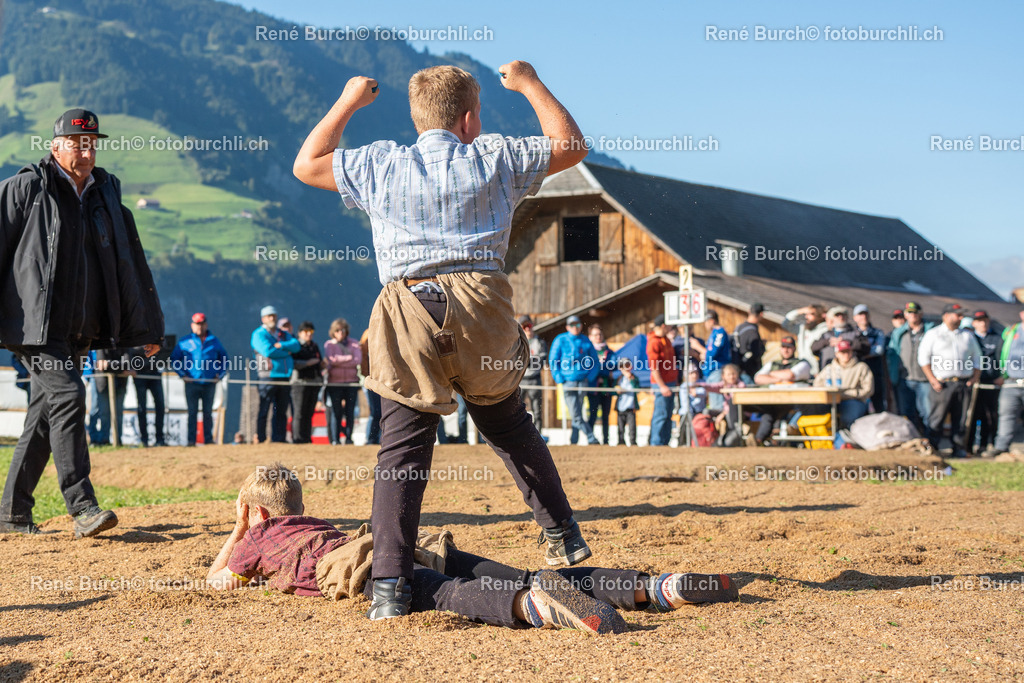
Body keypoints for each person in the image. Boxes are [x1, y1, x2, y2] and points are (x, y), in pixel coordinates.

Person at [292, 61, 596, 618]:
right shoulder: (496, 154)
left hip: (409, 303)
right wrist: (529, 83)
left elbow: (306, 164)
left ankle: (389, 589)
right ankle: (563, 535)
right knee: (506, 423)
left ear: (416, 119)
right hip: (482, 301)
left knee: (403, 448)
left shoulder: (382, 162)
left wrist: (348, 100)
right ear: (470, 118)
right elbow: (571, 144)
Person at [206, 463, 739, 633]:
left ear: (256, 511)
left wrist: (237, 529)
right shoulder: (315, 522)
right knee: (522, 573)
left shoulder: (256, 535)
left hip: (368, 570)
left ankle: (541, 611)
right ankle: (657, 588)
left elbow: (219, 579)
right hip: (389, 542)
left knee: (446, 596)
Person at [0, 109, 163, 537]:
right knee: (71, 395)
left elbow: (131, 263)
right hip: (34, 328)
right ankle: (82, 504)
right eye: (77, 143)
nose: (85, 150)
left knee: (42, 416)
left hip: (80, 329)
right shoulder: (27, 188)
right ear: (55, 146)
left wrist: (147, 329)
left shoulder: (106, 194)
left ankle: (12, 514)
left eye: (91, 143)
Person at [917, 304, 981, 457]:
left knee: (960, 419)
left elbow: (978, 358)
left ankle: (958, 448)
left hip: (963, 382)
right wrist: (932, 380)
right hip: (942, 383)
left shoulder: (967, 336)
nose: (960, 318)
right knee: (937, 418)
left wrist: (975, 378)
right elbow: (923, 359)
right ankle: (932, 448)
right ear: (946, 316)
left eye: (961, 315)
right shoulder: (933, 334)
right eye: (957, 315)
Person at [170, 312, 229, 446]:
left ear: (206, 324)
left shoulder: (214, 341)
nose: (199, 327)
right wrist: (182, 375)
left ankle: (208, 439)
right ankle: (191, 440)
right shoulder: (184, 342)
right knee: (192, 412)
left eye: (201, 324)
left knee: (208, 413)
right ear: (192, 325)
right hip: (191, 383)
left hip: (209, 383)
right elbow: (174, 360)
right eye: (197, 324)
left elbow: (224, 359)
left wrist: (219, 375)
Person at [251, 306, 300, 444]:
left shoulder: (282, 334)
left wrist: (282, 346)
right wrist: (287, 353)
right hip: (267, 376)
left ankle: (279, 438)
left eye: (273, 315)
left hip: (284, 376)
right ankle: (261, 438)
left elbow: (296, 345)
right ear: (263, 319)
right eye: (268, 316)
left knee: (281, 410)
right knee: (264, 410)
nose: (272, 318)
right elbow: (268, 351)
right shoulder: (258, 334)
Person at [752, 336, 813, 444]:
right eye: (784, 347)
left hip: (796, 402)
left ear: (794, 349)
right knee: (768, 415)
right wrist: (781, 378)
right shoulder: (773, 364)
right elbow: (758, 378)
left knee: (789, 414)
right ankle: (758, 440)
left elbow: (790, 375)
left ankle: (786, 439)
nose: (786, 350)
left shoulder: (802, 363)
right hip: (774, 400)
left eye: (789, 347)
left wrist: (771, 376)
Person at [550, 316, 599, 444]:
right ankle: (591, 437)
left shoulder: (585, 340)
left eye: (577, 324)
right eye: (572, 325)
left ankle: (574, 440)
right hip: (568, 382)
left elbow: (595, 361)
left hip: (583, 381)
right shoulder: (560, 340)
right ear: (567, 327)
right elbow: (553, 360)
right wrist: (559, 377)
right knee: (576, 414)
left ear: (581, 326)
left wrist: (590, 377)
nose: (575, 327)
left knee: (576, 412)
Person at [887, 302, 935, 434]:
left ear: (921, 313)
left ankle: (929, 441)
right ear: (905, 315)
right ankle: (912, 439)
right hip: (905, 379)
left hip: (925, 379)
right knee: (906, 412)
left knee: (927, 412)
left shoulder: (930, 332)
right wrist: (893, 376)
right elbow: (892, 356)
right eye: (909, 312)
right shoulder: (899, 333)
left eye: (915, 312)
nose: (912, 315)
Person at [813, 339, 874, 429]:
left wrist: (849, 394)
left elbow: (868, 389)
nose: (845, 355)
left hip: (854, 400)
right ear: (837, 354)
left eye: (847, 352)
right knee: (814, 412)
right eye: (842, 352)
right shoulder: (829, 368)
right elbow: (817, 385)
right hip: (831, 401)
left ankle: (846, 439)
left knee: (847, 418)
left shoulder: (861, 367)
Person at [967, 311, 1003, 454]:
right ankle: (968, 446)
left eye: (985, 320)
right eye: (979, 320)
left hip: (991, 383)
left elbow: (1003, 358)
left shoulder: (997, 338)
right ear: (974, 323)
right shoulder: (969, 338)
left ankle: (987, 445)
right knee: (973, 416)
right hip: (973, 384)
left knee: (990, 416)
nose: (982, 323)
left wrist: (1001, 376)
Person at [990, 309, 1024, 457]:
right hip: (1011, 381)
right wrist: (1001, 374)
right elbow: (1000, 353)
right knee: (1006, 414)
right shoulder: (1011, 331)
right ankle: (1001, 447)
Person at [324, 318, 361, 445]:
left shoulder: (354, 343)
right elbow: (331, 360)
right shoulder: (329, 344)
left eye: (342, 330)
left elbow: (357, 360)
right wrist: (348, 358)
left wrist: (339, 361)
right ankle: (335, 439)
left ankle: (349, 438)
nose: (340, 332)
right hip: (334, 383)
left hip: (351, 382)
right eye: (337, 330)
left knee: (350, 412)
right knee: (336, 412)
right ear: (333, 332)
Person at [646, 314, 680, 446]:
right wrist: (661, 386)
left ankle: (665, 442)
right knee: (660, 414)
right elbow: (654, 368)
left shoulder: (666, 339)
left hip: (670, 383)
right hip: (662, 384)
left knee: (668, 414)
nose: (671, 328)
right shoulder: (654, 342)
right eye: (670, 326)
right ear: (663, 326)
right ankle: (656, 443)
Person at [290, 322, 324, 444]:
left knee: (309, 413)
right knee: (299, 412)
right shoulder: (296, 345)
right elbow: (292, 363)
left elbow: (318, 361)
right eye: (306, 331)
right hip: (299, 382)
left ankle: (306, 438)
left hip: (314, 382)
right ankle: (298, 438)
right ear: (300, 333)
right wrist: (308, 363)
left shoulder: (314, 346)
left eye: (311, 331)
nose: (309, 334)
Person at [852, 304, 889, 413]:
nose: (863, 317)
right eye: (860, 314)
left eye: (865, 314)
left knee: (878, 403)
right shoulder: (852, 333)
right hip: (857, 375)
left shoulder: (877, 333)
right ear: (855, 318)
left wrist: (860, 352)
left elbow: (879, 350)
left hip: (875, 372)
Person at [131, 345, 167, 447]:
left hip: (155, 374)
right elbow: (132, 350)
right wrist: (151, 350)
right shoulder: (136, 333)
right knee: (142, 408)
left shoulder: (155, 332)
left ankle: (160, 439)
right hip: (139, 375)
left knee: (160, 406)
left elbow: (164, 348)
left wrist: (147, 351)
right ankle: (144, 440)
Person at [586, 324, 615, 445]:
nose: (598, 337)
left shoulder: (609, 352)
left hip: (606, 389)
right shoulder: (587, 351)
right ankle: (591, 439)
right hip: (593, 389)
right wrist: (601, 372)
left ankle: (606, 440)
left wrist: (601, 371)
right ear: (590, 337)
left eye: (599, 334)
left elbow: (613, 366)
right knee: (592, 414)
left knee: (605, 416)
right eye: (595, 334)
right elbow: (588, 367)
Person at [782, 304, 829, 375]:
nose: (806, 317)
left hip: (818, 372)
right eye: (806, 314)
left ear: (821, 315)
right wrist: (800, 311)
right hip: (802, 370)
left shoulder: (826, 330)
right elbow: (786, 324)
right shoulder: (802, 328)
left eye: (811, 314)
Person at [518, 315, 547, 430]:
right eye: (524, 327)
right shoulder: (517, 341)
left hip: (535, 379)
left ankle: (538, 435)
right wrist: (529, 361)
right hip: (520, 380)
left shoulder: (539, 342)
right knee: (517, 410)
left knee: (537, 410)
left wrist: (527, 361)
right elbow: (516, 360)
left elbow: (541, 360)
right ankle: (519, 434)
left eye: (529, 326)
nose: (527, 329)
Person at [359, 328, 381, 445]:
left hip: (384, 380)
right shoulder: (368, 334)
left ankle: (381, 439)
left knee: (383, 412)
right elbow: (363, 356)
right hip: (372, 380)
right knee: (375, 412)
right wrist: (368, 376)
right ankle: (371, 439)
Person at [732, 304, 765, 380]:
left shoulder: (739, 327)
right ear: (761, 314)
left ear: (749, 312)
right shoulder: (752, 331)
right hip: (749, 372)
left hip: (738, 369)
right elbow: (756, 353)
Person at [615, 358, 640, 447]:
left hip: (631, 406)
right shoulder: (619, 379)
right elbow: (613, 390)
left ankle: (633, 442)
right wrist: (616, 390)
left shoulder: (634, 378)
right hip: (620, 406)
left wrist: (630, 378)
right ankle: (621, 441)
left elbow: (637, 389)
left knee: (632, 427)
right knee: (620, 427)